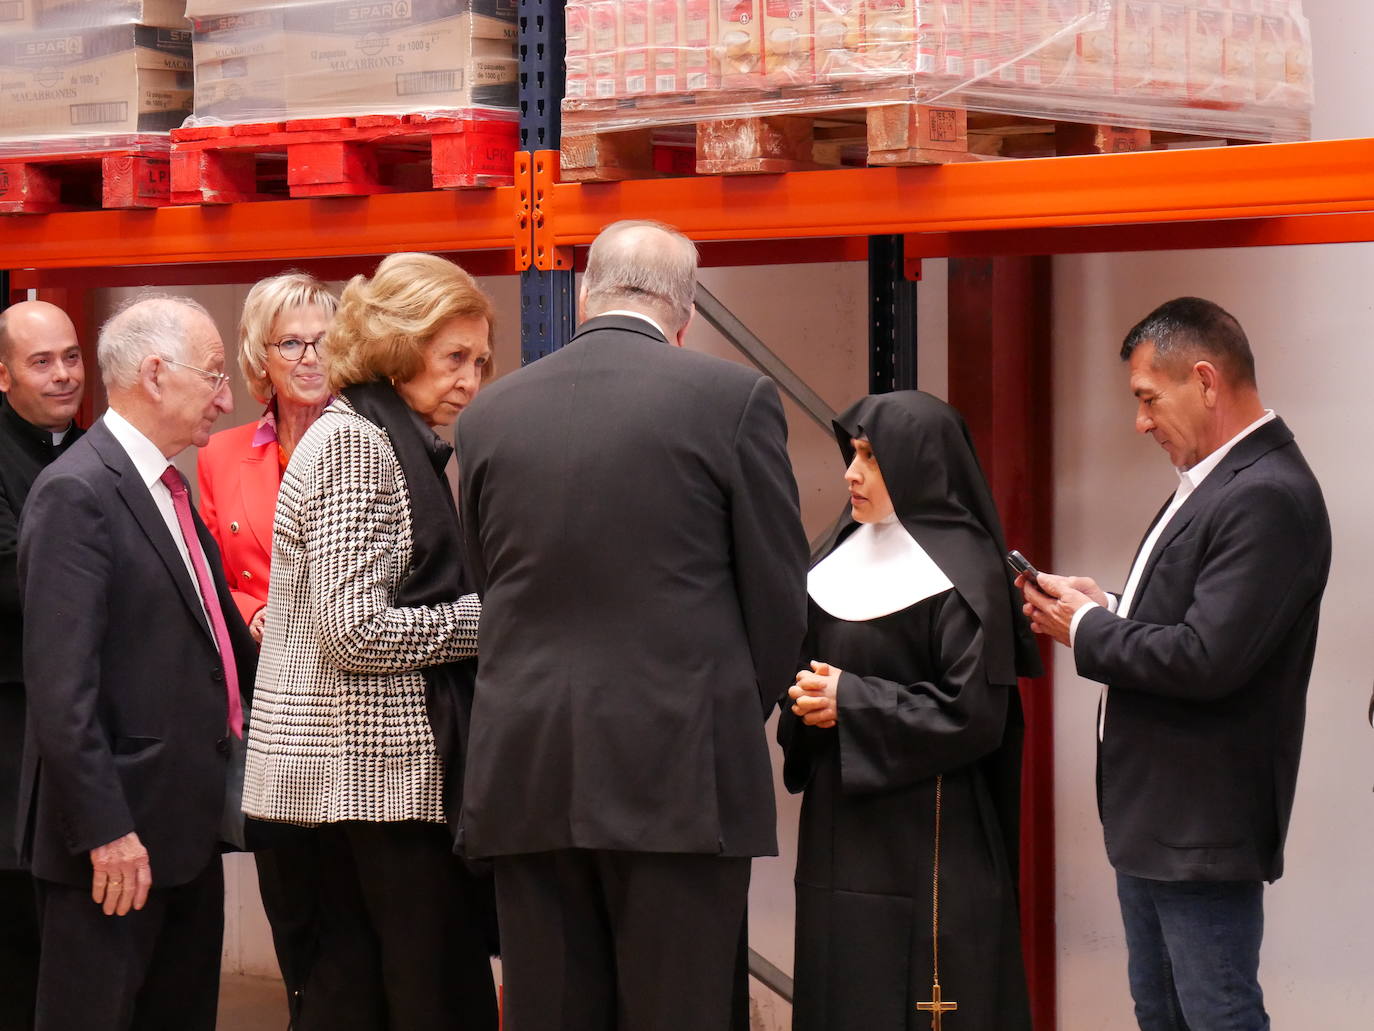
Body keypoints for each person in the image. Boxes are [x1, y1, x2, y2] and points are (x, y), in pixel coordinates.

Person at [456, 219, 809, 1031]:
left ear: (584, 294)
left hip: (529, 771)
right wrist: (713, 707)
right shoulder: (733, 400)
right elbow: (779, 598)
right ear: (685, 313)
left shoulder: (488, 416)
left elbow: (490, 581)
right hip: (679, 778)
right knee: (677, 1010)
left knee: (550, 1011)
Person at [1019, 297, 1330, 1031]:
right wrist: (1112, 604)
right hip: (1161, 825)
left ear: (1205, 380)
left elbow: (1207, 657)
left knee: (1216, 1016)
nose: (1141, 421)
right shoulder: (1222, 480)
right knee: (1164, 1016)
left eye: (1147, 398)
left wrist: (1087, 628)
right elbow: (1197, 623)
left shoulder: (1267, 494)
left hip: (1201, 833)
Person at [241, 252, 499, 1031]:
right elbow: (354, 631)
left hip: (362, 789)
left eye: (482, 360)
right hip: (356, 792)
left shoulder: (384, 435)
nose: (471, 379)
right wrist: (489, 619)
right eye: (453, 356)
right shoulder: (358, 444)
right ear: (398, 343)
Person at [16, 295, 253, 1031]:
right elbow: (62, 692)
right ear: (155, 373)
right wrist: (106, 831)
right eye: (213, 374)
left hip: (181, 833)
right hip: (114, 848)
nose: (225, 395)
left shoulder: (167, 488)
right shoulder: (77, 493)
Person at [779, 391, 1039, 1031]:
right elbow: (805, 682)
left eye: (871, 456)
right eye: (852, 454)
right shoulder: (834, 560)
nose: (852, 473)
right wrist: (807, 702)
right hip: (840, 831)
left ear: (920, 465)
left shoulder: (966, 573)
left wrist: (853, 700)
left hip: (935, 833)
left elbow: (974, 713)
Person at [197, 272, 338, 1021]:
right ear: (260, 358)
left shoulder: (366, 439)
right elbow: (217, 576)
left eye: (325, 341)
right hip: (267, 706)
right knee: (290, 900)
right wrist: (257, 612)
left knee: (350, 907)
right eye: (293, 342)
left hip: (350, 701)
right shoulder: (220, 455)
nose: (312, 357)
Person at [0, 300, 85, 1031]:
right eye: (40, 361)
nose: (62, 375)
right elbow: (12, 579)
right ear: (3, 376)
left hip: (75, 721)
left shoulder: (90, 451)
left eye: (71, 357)